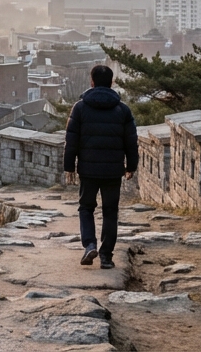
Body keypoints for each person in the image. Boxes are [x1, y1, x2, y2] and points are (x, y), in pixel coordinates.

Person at [62, 64, 138, 269]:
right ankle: (106, 257)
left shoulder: (80, 108)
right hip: (113, 171)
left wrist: (69, 167)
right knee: (110, 211)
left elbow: (72, 140)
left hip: (88, 170)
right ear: (111, 83)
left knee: (86, 208)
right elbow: (131, 141)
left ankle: (89, 245)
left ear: (92, 82)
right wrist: (131, 166)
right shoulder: (123, 110)